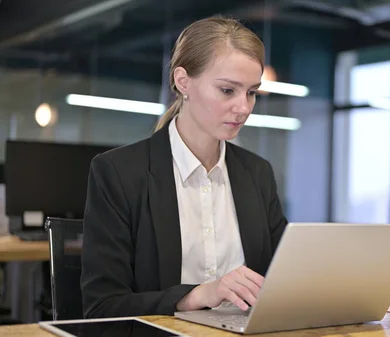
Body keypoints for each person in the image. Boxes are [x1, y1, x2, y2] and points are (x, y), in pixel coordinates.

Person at [80, 15, 288, 319]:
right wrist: (195, 295)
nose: (243, 108)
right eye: (228, 90)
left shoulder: (258, 174)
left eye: (252, 92)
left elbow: (282, 279)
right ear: (183, 81)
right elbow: (102, 308)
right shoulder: (118, 173)